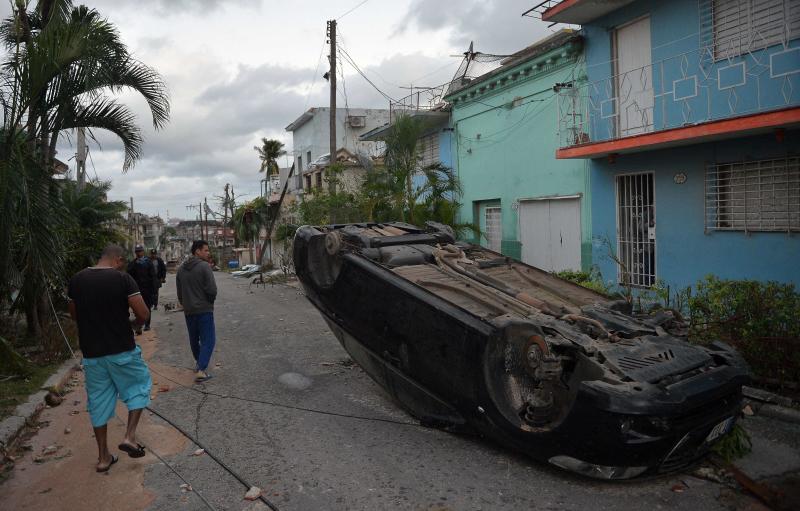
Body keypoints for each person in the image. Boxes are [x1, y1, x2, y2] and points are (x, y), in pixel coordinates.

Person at [67, 244, 152, 473]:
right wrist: (134, 325)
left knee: (98, 402)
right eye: (122, 262)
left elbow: (75, 315)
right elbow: (143, 314)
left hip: (93, 356)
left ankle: (103, 458)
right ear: (118, 259)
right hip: (122, 350)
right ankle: (130, 436)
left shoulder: (76, 280)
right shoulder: (122, 279)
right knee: (138, 387)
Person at [176, 240, 217, 383]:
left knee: (194, 339)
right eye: (205, 250)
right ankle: (201, 369)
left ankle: (199, 364)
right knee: (209, 340)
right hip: (204, 309)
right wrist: (209, 302)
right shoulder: (204, 267)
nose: (208, 253)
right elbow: (212, 289)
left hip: (189, 311)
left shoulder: (181, 269)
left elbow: (179, 293)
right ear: (197, 251)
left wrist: (185, 304)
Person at [127, 245, 155, 332]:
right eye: (137, 252)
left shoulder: (148, 262)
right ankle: (139, 326)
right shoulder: (133, 264)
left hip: (147, 289)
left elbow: (153, 276)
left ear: (143, 252)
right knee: (137, 309)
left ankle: (147, 324)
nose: (138, 253)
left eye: (140, 251)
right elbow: (129, 276)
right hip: (136, 291)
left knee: (147, 307)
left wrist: (154, 290)